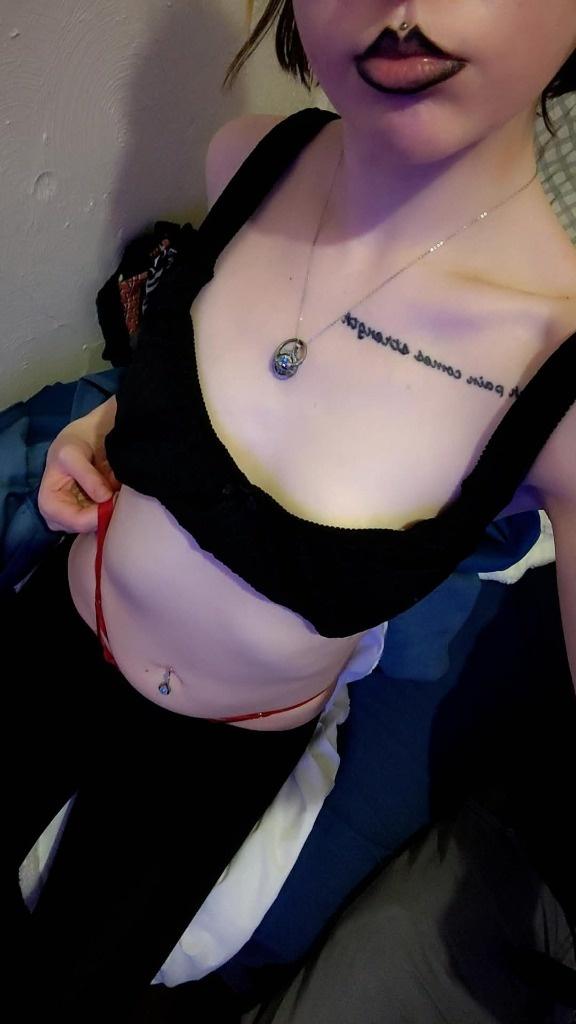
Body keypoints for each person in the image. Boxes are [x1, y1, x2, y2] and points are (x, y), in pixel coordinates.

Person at [8, 1, 576, 1020]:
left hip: (216, 749)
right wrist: (110, 424)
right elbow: (197, 377)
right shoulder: (248, 158)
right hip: (61, 629)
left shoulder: (561, 367)